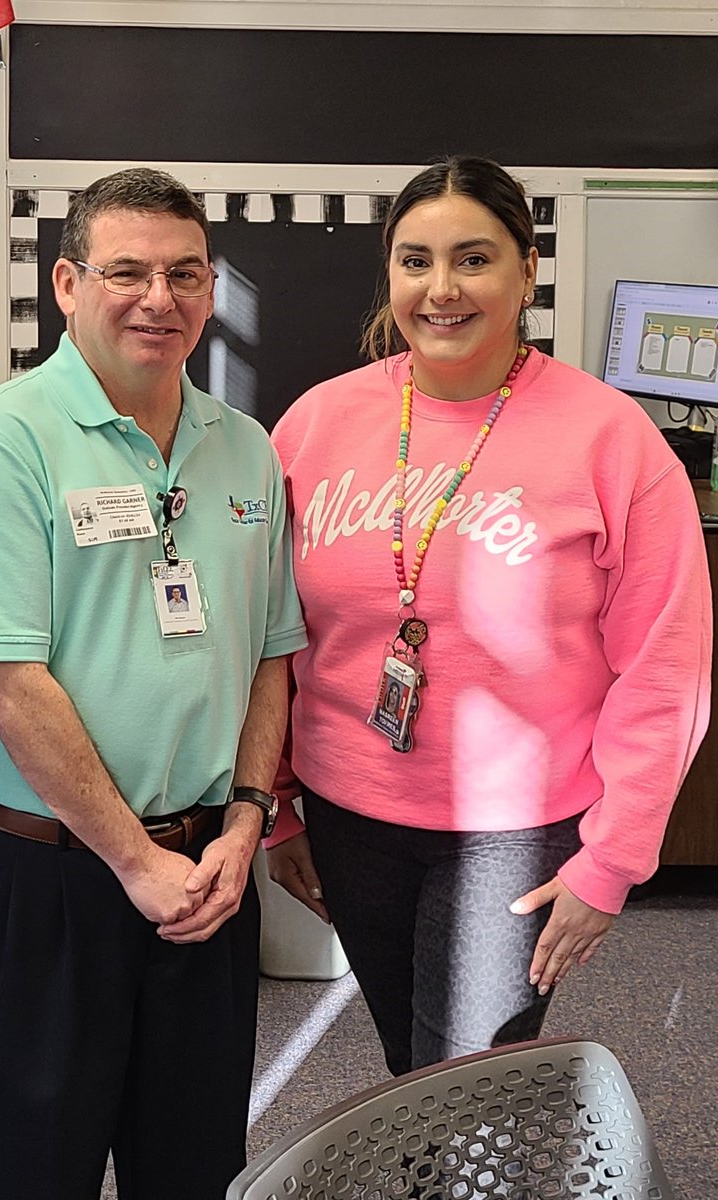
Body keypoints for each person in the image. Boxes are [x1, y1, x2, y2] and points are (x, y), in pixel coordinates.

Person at [265, 156, 711, 1077]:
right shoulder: (314, 425)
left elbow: (665, 666)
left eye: (473, 258)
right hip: (352, 814)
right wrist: (275, 805)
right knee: (411, 1068)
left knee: (467, 1083)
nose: (441, 289)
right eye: (415, 260)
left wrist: (615, 856)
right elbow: (268, 637)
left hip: (519, 830)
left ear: (526, 270)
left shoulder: (609, 437)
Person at [0, 167, 306, 1198]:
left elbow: (271, 654)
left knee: (193, 1171)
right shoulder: (5, 440)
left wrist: (244, 819)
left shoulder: (247, 451)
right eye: (127, 271)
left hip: (208, 872)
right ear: (66, 282)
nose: (160, 297)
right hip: (56, 880)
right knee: (36, 1170)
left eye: (185, 273)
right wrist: (135, 859)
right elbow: (8, 681)